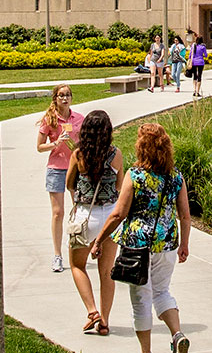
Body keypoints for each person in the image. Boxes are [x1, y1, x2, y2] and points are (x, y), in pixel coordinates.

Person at [94, 123, 192, 353]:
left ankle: (146, 351)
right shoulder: (176, 177)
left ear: (141, 147)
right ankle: (177, 334)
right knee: (162, 291)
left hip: (137, 246)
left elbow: (118, 213)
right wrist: (184, 244)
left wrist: (99, 239)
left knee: (141, 301)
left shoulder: (135, 175)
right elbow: (185, 216)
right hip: (166, 245)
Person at [65, 110, 123, 336]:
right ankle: (105, 322)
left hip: (84, 217)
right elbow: (118, 186)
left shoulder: (78, 155)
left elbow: (69, 183)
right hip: (109, 216)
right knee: (107, 271)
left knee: (77, 265)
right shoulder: (115, 154)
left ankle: (92, 311)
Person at [36, 84, 85, 273]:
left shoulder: (78, 118)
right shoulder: (49, 120)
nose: (65, 99)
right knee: (58, 213)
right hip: (56, 169)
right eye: (61, 96)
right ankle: (57, 255)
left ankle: (78, 249)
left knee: (79, 210)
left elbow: (84, 141)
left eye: (68, 95)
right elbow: (39, 147)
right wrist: (55, 143)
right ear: (55, 98)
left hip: (75, 169)